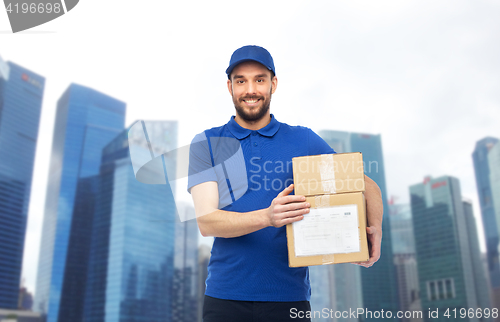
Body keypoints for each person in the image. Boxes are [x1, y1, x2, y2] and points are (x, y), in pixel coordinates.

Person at [188, 45, 383, 322]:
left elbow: (367, 185)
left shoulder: (302, 140)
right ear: (229, 87)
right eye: (240, 81)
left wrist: (374, 229)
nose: (250, 89)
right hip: (225, 298)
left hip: (289, 299)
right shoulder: (206, 143)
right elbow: (207, 222)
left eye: (259, 79)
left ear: (273, 84)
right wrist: (268, 216)